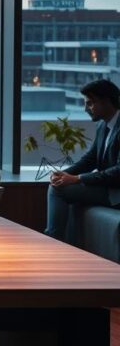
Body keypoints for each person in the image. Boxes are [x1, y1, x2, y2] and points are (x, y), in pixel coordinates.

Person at [45, 79, 120, 241]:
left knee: (58, 190)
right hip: (106, 188)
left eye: (90, 103)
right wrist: (64, 174)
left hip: (116, 193)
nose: (86, 109)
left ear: (107, 101)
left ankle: (52, 241)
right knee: (57, 184)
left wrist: (77, 178)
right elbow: (90, 160)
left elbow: (118, 172)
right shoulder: (104, 126)